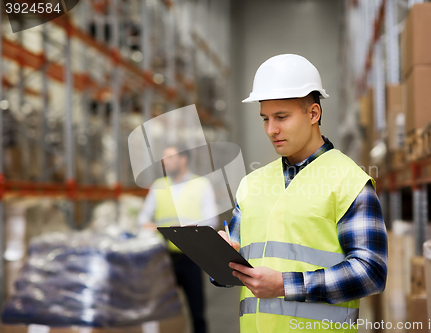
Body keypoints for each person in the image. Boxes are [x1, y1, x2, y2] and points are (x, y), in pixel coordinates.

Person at [216, 54, 388, 333]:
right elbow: (233, 274)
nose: (271, 130)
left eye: (281, 117)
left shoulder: (349, 181)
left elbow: (371, 273)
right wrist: (221, 259)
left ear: (313, 114)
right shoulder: (252, 183)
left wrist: (285, 285)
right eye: (265, 119)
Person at [138, 145, 217, 333]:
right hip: (164, 258)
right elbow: (142, 219)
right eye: (164, 158)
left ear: (184, 159)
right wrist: (155, 228)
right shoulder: (158, 186)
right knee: (163, 309)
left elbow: (211, 220)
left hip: (191, 257)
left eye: (170, 157)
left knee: (196, 310)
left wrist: (186, 229)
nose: (165, 162)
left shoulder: (201, 184)